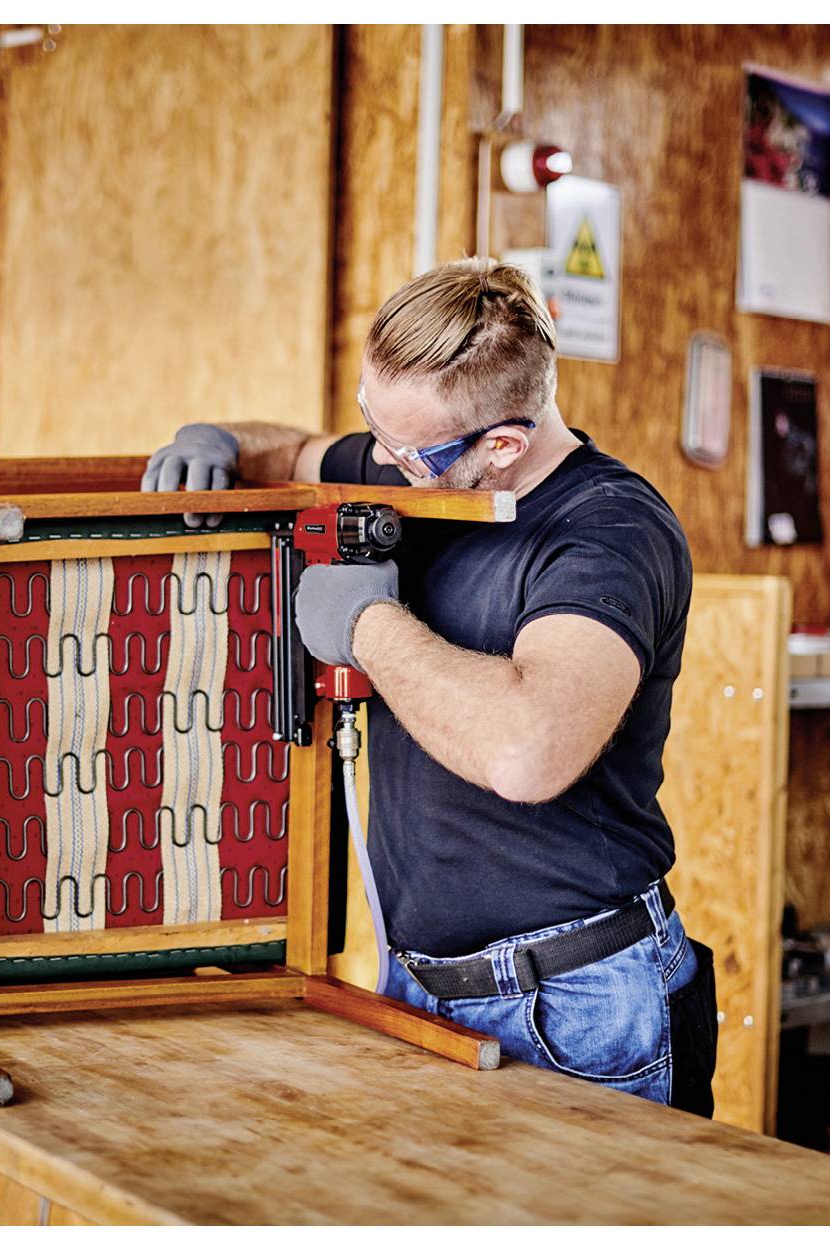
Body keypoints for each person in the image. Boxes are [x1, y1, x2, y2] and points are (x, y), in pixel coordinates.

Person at [140, 257, 717, 1113]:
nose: (378, 458)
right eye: (373, 420)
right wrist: (214, 441)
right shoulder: (412, 460)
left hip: (575, 1003)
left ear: (504, 444)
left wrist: (367, 626)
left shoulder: (610, 532)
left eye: (407, 450)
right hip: (417, 986)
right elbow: (291, 448)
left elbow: (529, 752)